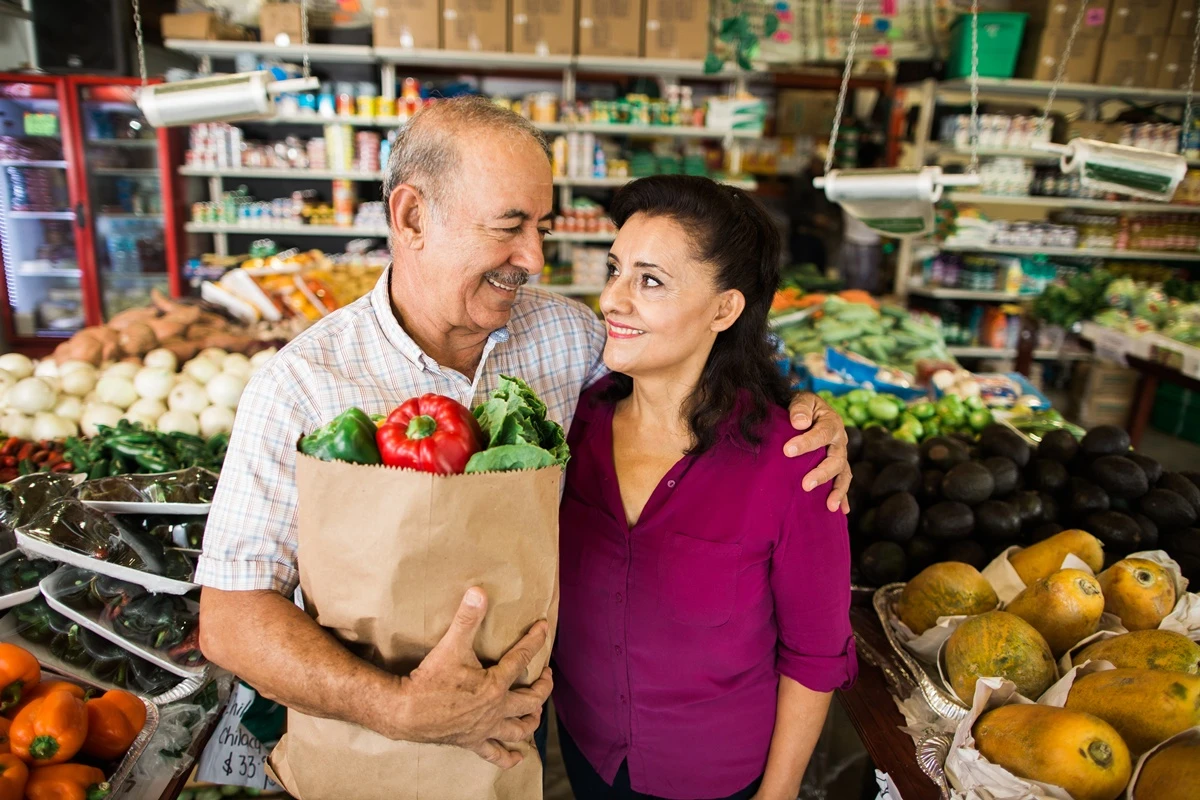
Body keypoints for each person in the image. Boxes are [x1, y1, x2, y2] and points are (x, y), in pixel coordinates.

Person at [196, 97, 852, 773]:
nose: (533, 257)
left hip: (521, 744)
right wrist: (396, 706)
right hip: (370, 750)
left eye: (540, 226)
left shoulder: (568, 338)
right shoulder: (301, 385)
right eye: (509, 227)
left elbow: (687, 371)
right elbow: (229, 618)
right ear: (412, 217)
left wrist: (805, 415)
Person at [553, 176, 856, 800]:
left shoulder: (793, 461)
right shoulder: (573, 426)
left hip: (715, 777)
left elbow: (815, 656)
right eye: (614, 270)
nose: (611, 299)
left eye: (650, 281)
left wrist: (776, 796)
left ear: (724, 310)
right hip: (585, 750)